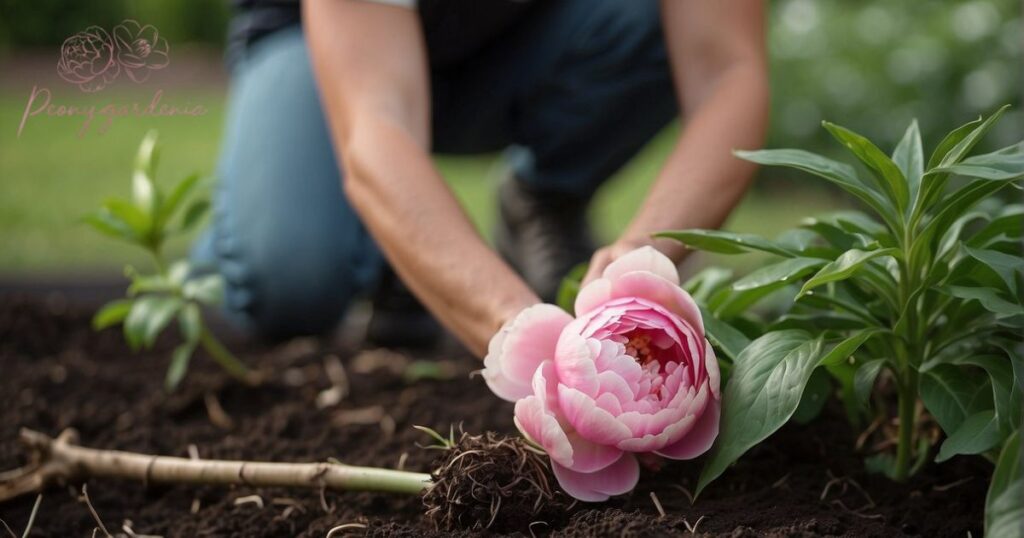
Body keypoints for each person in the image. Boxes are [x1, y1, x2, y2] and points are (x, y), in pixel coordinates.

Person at [195, 0, 768, 356]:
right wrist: (513, 325)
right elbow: (376, 122)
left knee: (648, 17)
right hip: (329, 48)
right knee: (291, 278)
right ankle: (366, 248)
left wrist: (645, 256)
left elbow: (727, 70)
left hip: (527, 34)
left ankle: (542, 195)